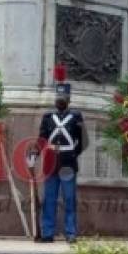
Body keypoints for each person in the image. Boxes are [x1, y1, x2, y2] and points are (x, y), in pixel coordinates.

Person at [38, 70, 84, 243]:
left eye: (63, 98)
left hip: (68, 163)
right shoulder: (47, 117)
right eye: (58, 98)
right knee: (49, 199)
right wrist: (35, 153)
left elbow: (81, 140)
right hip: (50, 162)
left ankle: (70, 232)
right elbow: (42, 138)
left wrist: (71, 153)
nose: (60, 101)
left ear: (69, 100)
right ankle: (47, 233)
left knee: (69, 198)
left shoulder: (76, 116)